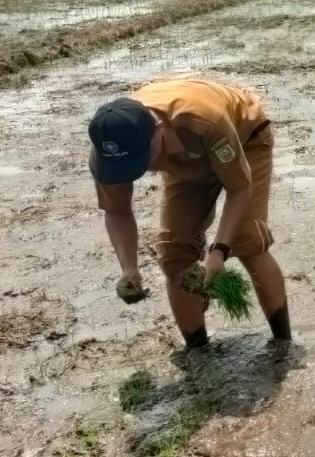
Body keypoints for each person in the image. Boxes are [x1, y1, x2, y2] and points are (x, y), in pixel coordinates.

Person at [88, 78, 291, 351]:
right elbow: (117, 211)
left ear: (159, 131)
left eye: (140, 161)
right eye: (125, 167)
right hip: (183, 159)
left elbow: (240, 188)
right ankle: (199, 354)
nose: (137, 171)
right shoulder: (108, 155)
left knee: (246, 240)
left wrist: (218, 251)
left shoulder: (203, 120)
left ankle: (283, 345)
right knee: (174, 255)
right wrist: (129, 268)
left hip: (244, 137)